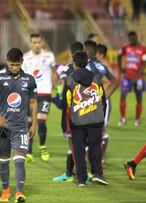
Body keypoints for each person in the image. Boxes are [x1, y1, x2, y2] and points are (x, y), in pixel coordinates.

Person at [0, 48, 37, 202]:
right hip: (3, 128)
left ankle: (19, 193)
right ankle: (5, 191)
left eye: (17, 64)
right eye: (11, 64)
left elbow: (34, 103)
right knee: (3, 160)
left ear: (22, 62)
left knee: (20, 160)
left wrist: (34, 124)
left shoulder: (29, 79)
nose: (14, 67)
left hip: (21, 127)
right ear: (6, 62)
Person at [64, 51, 108, 186]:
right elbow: (103, 100)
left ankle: (81, 179)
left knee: (79, 148)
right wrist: (100, 116)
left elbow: (67, 103)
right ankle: (97, 174)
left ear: (74, 63)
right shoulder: (96, 78)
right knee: (95, 147)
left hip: (78, 121)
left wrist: (67, 123)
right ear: (87, 62)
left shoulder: (70, 80)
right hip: (96, 120)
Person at [52, 41, 84, 183]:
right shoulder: (88, 70)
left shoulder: (67, 69)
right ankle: (76, 172)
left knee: (72, 142)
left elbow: (62, 85)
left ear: (71, 54)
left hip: (70, 111)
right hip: (86, 110)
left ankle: (73, 173)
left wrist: (59, 97)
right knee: (81, 142)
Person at [22, 33, 55, 162]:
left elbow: (54, 73)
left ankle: (42, 146)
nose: (36, 45)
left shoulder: (49, 56)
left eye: (38, 42)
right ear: (30, 43)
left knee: (41, 121)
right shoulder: (25, 58)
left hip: (45, 93)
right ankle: (29, 150)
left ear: (42, 43)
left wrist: (58, 88)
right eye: (34, 42)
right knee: (29, 122)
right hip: (30, 94)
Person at [118, 31, 146, 126]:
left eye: (133, 38)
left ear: (136, 38)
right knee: (123, 95)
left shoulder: (143, 49)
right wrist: (121, 68)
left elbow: (145, 63)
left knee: (139, 98)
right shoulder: (125, 47)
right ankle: (123, 119)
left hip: (139, 78)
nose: (132, 40)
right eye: (130, 39)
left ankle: (137, 119)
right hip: (127, 77)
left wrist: (137, 76)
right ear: (129, 39)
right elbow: (119, 56)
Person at [96, 43, 118, 161]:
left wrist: (104, 96)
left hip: (104, 101)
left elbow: (111, 82)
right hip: (99, 101)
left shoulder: (103, 65)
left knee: (103, 129)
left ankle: (101, 158)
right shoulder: (102, 65)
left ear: (100, 54)